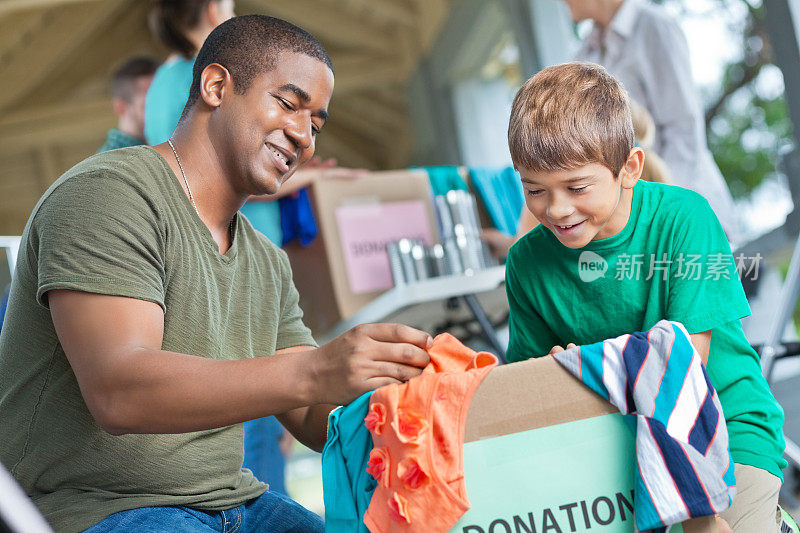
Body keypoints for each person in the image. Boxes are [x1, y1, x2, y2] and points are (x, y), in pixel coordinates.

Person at [0, 15, 433, 532]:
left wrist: (396, 398)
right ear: (216, 86)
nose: (303, 137)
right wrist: (318, 369)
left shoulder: (267, 261)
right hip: (97, 509)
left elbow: (313, 418)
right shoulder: (107, 195)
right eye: (289, 104)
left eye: (316, 124)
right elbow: (120, 391)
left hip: (236, 503)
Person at [504, 62, 787, 532]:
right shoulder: (526, 265)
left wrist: (586, 368)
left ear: (628, 168)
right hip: (613, 444)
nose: (555, 209)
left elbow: (682, 366)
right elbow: (532, 393)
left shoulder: (686, 218)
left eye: (576, 187)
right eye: (534, 190)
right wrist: (555, 376)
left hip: (724, 427)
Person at [561, 0, 741, 243]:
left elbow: (683, 131)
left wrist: (663, 212)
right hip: (640, 227)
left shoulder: (653, 26)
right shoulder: (585, 54)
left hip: (682, 213)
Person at [96, 56, 159, 153]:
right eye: (150, 104)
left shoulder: (156, 144)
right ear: (120, 107)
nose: (161, 110)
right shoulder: (112, 161)